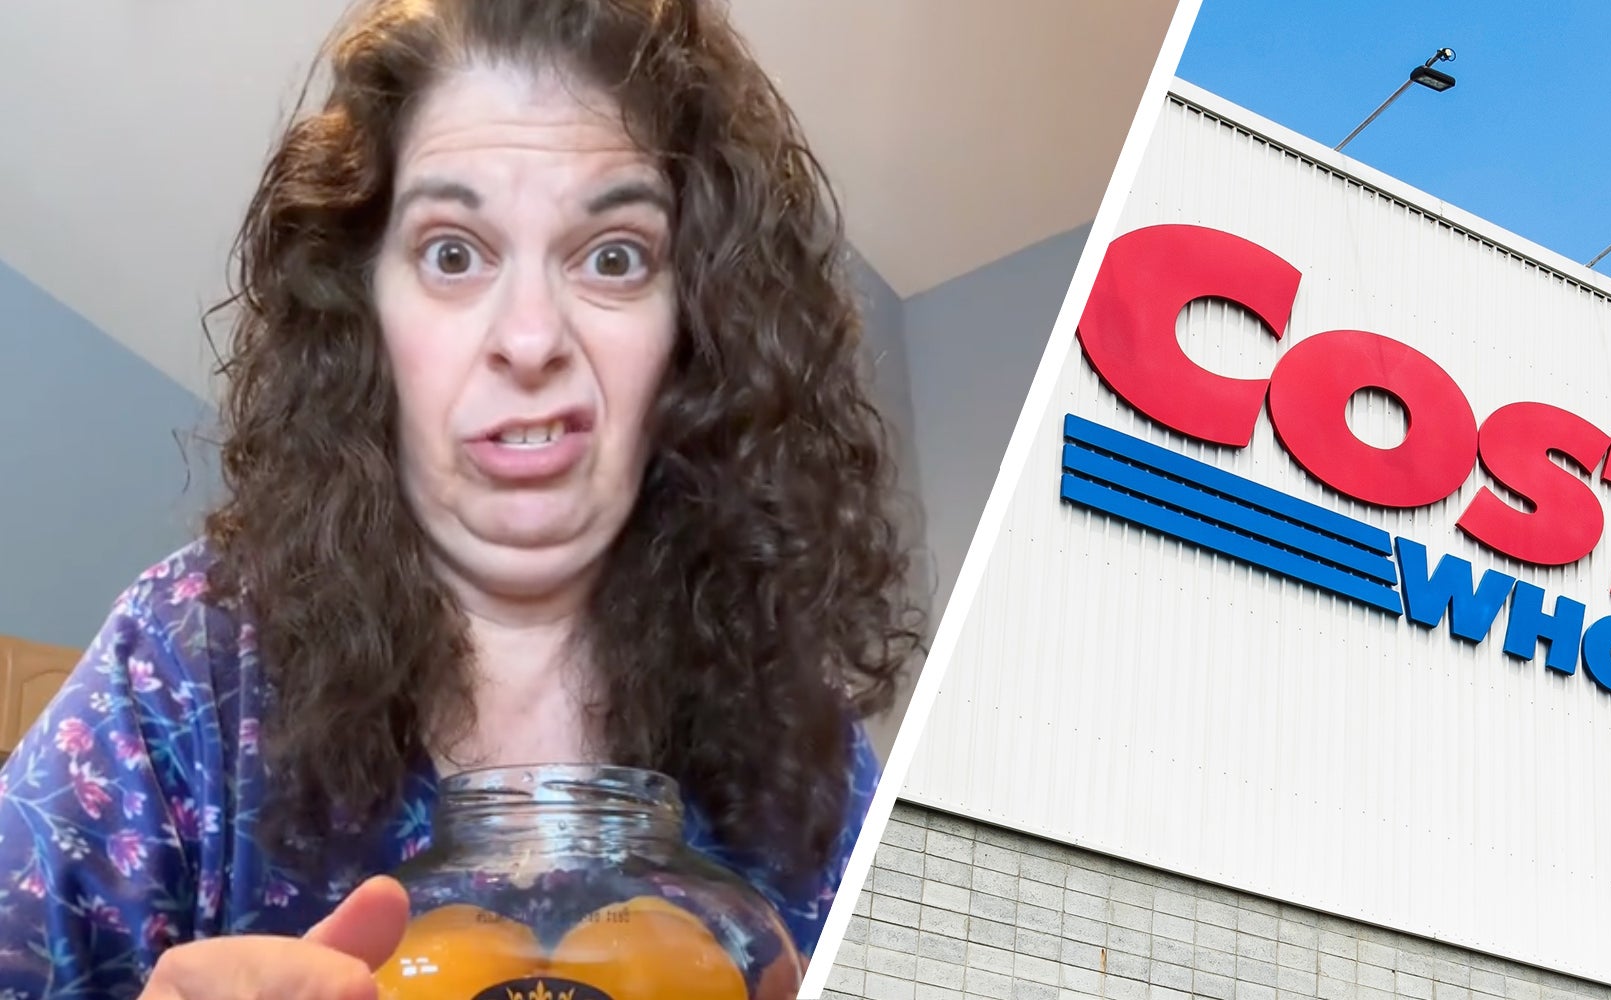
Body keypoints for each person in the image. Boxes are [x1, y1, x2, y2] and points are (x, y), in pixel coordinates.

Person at [0, 0, 924, 996]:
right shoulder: (185, 664)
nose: (529, 338)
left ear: (696, 329)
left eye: (613, 256)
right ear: (364, 311)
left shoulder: (806, 746)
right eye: (452, 252)